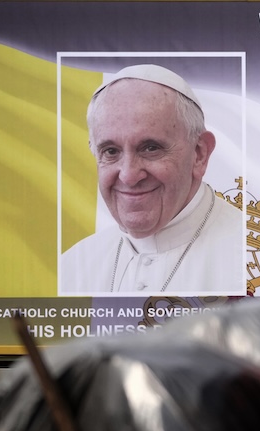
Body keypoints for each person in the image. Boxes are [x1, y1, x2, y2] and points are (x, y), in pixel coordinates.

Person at [61, 64, 244, 295]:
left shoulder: (258, 261)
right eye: (110, 151)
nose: (128, 175)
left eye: (150, 148)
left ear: (199, 154)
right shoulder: (72, 267)